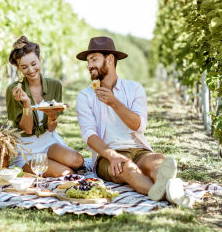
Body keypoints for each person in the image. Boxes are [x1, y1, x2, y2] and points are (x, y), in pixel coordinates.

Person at [76, 36, 191, 207]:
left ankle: (165, 186)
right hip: (108, 155)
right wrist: (112, 155)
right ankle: (171, 195)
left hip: (139, 150)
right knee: (128, 170)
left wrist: (114, 102)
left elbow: (138, 125)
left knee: (157, 162)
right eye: (88, 61)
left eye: (94, 59)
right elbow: (89, 136)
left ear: (110, 59)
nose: (89, 65)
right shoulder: (85, 96)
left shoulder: (134, 88)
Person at [6, 36, 83, 177]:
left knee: (78, 161)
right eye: (24, 67)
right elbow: (27, 130)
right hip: (26, 147)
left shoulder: (55, 85)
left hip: (48, 140)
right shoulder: (14, 90)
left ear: (40, 60)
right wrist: (26, 104)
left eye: (34, 64)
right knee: (67, 173)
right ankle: (45, 165)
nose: (30, 70)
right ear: (18, 68)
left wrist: (52, 116)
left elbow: (51, 128)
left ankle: (52, 161)